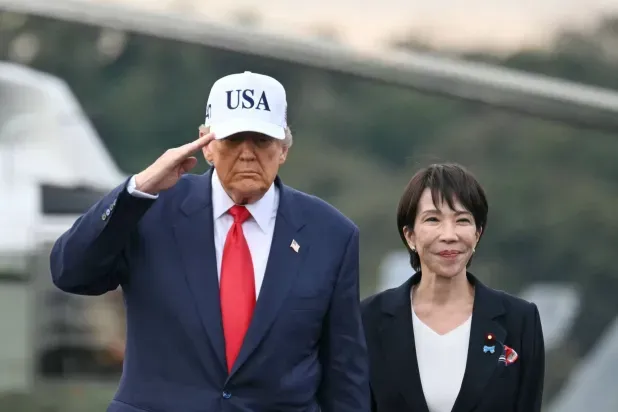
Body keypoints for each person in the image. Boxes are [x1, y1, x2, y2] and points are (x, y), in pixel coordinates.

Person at [50, 71, 370, 412]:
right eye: (233, 139)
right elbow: (71, 272)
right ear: (206, 145)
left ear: (283, 149)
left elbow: (344, 371)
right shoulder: (149, 208)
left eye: (262, 140)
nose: (247, 154)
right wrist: (137, 189)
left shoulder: (330, 234)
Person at [361, 163, 544, 412]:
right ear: (410, 236)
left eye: (462, 220)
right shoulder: (368, 319)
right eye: (433, 219)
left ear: (477, 233)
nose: (449, 235)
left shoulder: (519, 320)